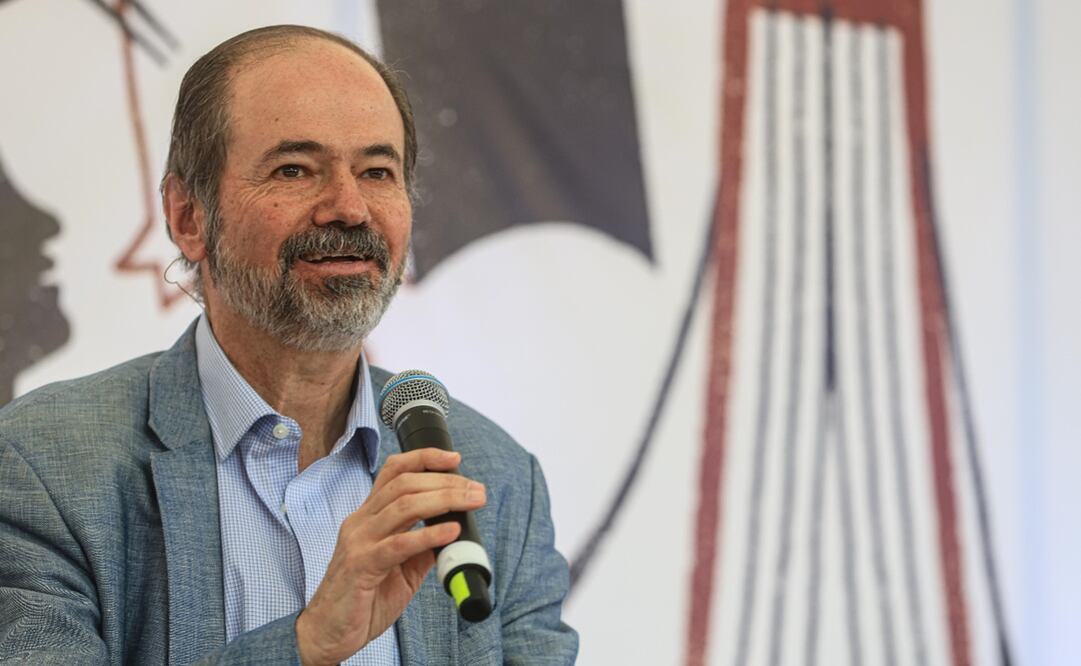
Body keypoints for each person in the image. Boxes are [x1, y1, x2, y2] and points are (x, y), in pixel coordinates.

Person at [0, 25, 578, 665]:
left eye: (377, 170)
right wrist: (306, 644)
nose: (349, 207)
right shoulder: (45, 468)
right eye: (295, 169)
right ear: (188, 216)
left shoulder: (496, 483)